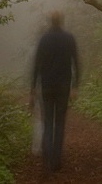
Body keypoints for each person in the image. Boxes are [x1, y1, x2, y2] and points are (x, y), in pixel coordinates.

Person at [30, 11, 80, 171]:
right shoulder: (69, 38)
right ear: (62, 21)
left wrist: (33, 88)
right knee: (59, 123)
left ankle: (47, 159)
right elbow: (77, 63)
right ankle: (56, 161)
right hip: (63, 87)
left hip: (47, 86)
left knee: (48, 122)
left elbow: (36, 65)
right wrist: (75, 86)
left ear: (51, 22)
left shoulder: (44, 39)